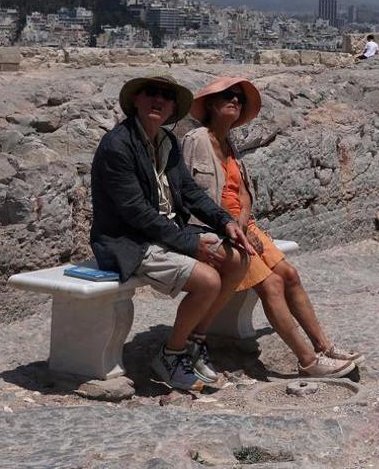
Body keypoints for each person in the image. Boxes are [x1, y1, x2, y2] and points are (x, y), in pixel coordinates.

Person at [183, 77, 362, 379]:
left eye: (239, 97)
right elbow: (188, 194)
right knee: (272, 284)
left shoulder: (230, 143)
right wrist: (231, 225)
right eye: (228, 95)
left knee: (290, 274)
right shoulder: (197, 140)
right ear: (211, 103)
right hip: (216, 231)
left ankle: (323, 346)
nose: (236, 100)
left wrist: (244, 220)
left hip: (243, 226)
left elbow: (243, 194)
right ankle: (307, 360)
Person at [89, 75, 255, 392]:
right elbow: (136, 214)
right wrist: (190, 244)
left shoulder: (166, 143)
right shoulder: (118, 147)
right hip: (128, 242)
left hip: (166, 233)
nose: (159, 100)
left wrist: (225, 223)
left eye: (166, 96)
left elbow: (191, 193)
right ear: (136, 101)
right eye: (151, 93)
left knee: (237, 259)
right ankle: (171, 354)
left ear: (172, 109)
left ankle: (194, 340)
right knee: (208, 281)